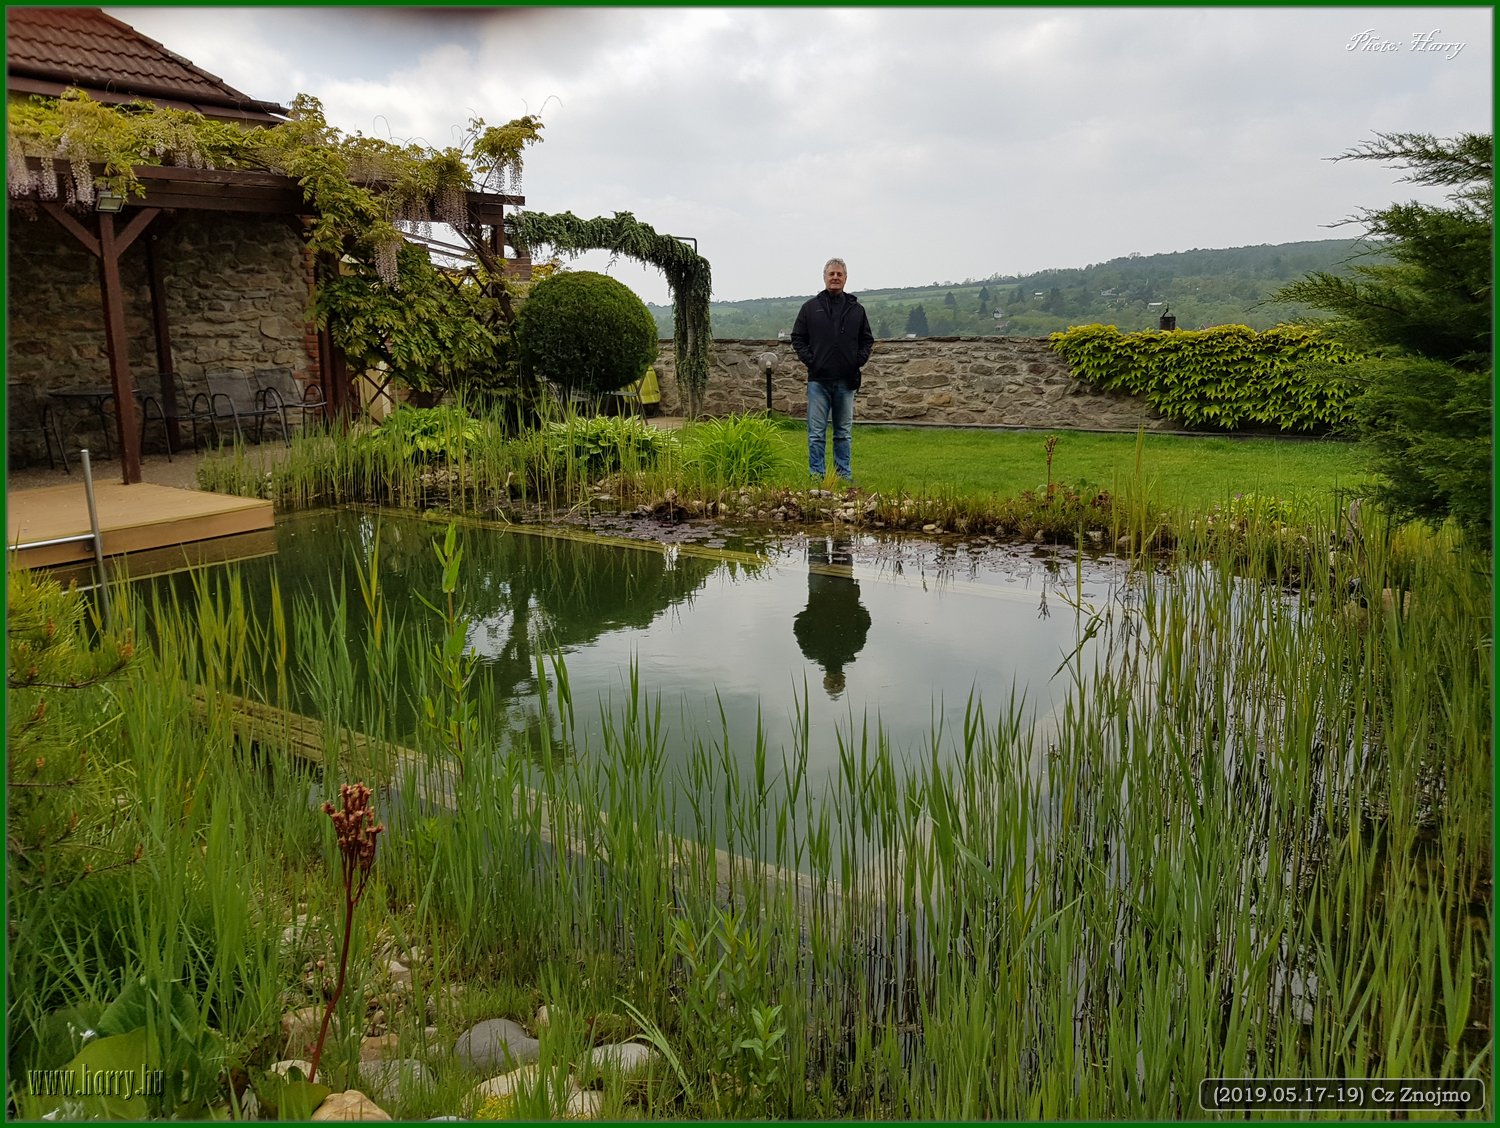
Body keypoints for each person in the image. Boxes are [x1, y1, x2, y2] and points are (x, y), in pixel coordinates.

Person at [791, 257, 873, 482]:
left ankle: (843, 476)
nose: (835, 277)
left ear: (846, 278)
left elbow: (867, 340)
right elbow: (798, 338)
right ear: (824, 277)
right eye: (831, 274)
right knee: (816, 434)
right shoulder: (810, 308)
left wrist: (857, 361)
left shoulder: (857, 310)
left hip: (846, 381)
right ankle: (816, 477)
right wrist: (812, 361)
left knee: (843, 434)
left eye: (839, 274)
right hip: (818, 380)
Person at [792, 535, 871, 700]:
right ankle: (823, 521)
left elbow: (864, 620)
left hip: (839, 591)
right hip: (821, 592)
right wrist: (812, 611)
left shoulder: (853, 647)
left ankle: (824, 521)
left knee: (837, 545)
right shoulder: (811, 650)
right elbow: (799, 625)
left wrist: (853, 606)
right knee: (819, 545)